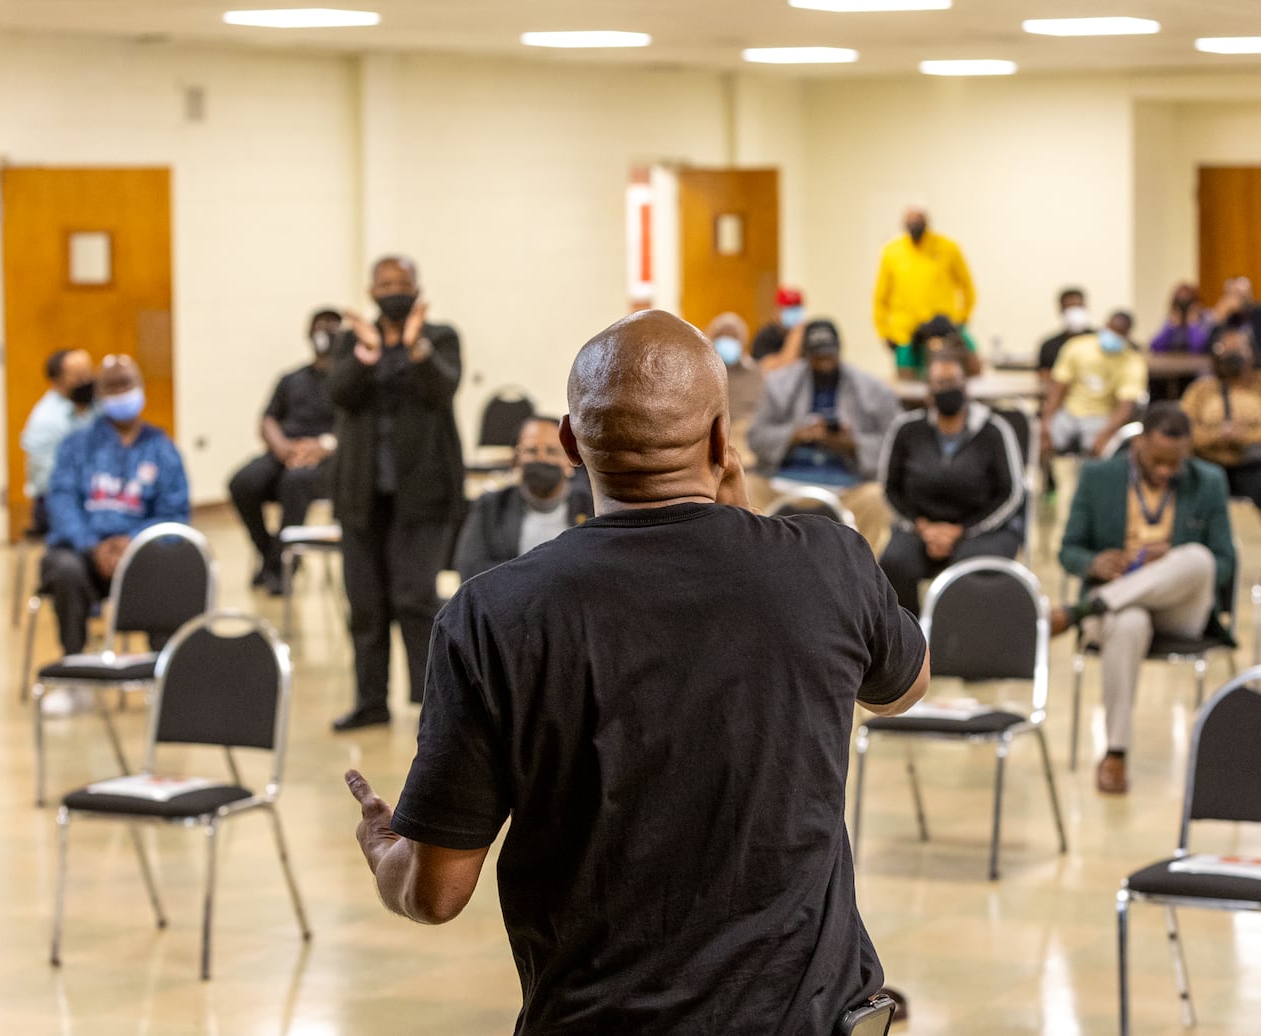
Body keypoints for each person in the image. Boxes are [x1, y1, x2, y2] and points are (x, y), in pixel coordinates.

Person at [343, 309, 930, 1034]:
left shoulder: (495, 613)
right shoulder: (827, 562)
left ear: (568, 445)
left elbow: (436, 893)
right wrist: (752, 524)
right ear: (721, 442)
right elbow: (904, 687)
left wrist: (386, 853)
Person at [1057, 402, 1236, 794]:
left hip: (1180, 605)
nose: (1165, 471)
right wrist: (1095, 564)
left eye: (1175, 463)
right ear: (1138, 442)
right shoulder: (1098, 476)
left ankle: (1086, 609)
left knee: (1198, 558)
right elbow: (1068, 550)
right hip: (1124, 602)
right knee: (1129, 622)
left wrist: (1170, 557)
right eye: (1157, 460)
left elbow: (1225, 564)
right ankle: (1116, 753)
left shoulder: (1208, 481)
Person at [328, 256, 464, 732]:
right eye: (385, 283)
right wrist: (367, 354)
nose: (393, 290)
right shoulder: (352, 342)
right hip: (362, 497)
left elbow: (442, 388)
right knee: (364, 604)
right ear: (371, 290)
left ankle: (433, 705)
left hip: (422, 494)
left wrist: (413, 348)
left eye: (402, 283)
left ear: (417, 287)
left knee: (415, 598)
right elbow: (340, 393)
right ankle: (371, 702)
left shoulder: (440, 338)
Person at [40, 355, 189, 656]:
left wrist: (132, 543)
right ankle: (74, 665)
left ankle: (160, 668)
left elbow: (174, 513)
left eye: (127, 384)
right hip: (85, 556)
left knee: (175, 563)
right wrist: (93, 547)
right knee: (64, 567)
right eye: (112, 386)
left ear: (141, 388)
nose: (121, 392)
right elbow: (61, 501)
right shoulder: (77, 445)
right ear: (99, 394)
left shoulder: (161, 447)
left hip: (142, 556)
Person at [877, 351, 1025, 614]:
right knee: (894, 563)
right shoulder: (907, 429)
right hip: (919, 526)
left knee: (971, 571)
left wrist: (961, 531)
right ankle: (911, 644)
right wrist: (922, 527)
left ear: (966, 385)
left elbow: (1011, 493)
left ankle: (958, 647)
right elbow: (890, 488)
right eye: (939, 383)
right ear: (928, 391)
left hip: (982, 528)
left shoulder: (994, 430)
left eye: (953, 381)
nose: (948, 389)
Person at [747, 318, 899, 549]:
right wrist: (794, 436)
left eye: (829, 356)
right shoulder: (778, 384)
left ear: (839, 352)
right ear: (806, 355)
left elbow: (894, 447)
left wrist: (852, 444)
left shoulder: (873, 390)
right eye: (817, 357)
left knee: (877, 498)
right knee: (746, 488)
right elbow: (756, 438)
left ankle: (864, 577)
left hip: (848, 487)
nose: (824, 364)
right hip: (784, 483)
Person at [228, 308, 342, 594]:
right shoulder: (292, 379)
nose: (324, 334)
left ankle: (282, 568)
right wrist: (283, 448)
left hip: (327, 461)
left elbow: (352, 430)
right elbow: (268, 419)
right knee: (243, 482)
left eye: (331, 327)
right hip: (285, 452)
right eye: (319, 327)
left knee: (296, 482)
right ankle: (271, 554)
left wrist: (323, 446)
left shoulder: (347, 383)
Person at [1179, 327, 1261, 541]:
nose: (1232, 353)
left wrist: (1246, 435)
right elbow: (1183, 429)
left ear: (1252, 352)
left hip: (1259, 463)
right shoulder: (1202, 390)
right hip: (1210, 462)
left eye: (1239, 347)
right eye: (1224, 347)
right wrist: (1217, 435)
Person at [452, 416, 593, 583]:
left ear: (569, 460)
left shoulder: (591, 506)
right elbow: (469, 568)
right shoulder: (491, 506)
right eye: (531, 451)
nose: (541, 459)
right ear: (517, 459)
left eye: (551, 451)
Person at [872, 206, 975, 374]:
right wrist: (884, 332)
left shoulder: (947, 248)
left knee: (968, 362)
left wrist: (962, 319)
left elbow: (967, 286)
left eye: (918, 222)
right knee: (906, 376)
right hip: (905, 331)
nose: (915, 226)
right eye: (910, 222)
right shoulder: (892, 252)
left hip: (944, 328)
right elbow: (880, 296)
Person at [1040, 318, 1147, 459]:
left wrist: (1105, 435)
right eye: (1112, 330)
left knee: (1098, 452)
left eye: (1119, 333)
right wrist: (1046, 422)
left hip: (1101, 416)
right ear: (1105, 326)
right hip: (1070, 410)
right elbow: (1058, 387)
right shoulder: (1077, 347)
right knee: (1044, 440)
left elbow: (1125, 405)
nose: (1113, 336)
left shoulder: (1132, 361)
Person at [20, 348, 95, 534]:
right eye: (78, 374)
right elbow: (48, 481)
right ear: (57, 380)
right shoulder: (45, 420)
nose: (86, 380)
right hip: (59, 500)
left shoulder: (98, 408)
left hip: (101, 495)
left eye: (88, 372)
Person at [705, 311, 763, 447]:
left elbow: (763, 412)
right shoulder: (701, 373)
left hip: (746, 434)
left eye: (733, 337)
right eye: (723, 336)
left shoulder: (755, 374)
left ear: (742, 341)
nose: (728, 341)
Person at [1149, 283, 1214, 355]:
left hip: (1198, 364)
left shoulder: (1205, 317)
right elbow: (1155, 347)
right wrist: (1171, 326)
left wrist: (1193, 324)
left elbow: (1198, 348)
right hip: (1172, 363)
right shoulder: (1171, 319)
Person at [751, 285, 805, 367]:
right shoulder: (764, 337)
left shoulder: (807, 333)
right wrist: (795, 335)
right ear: (776, 310)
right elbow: (770, 368)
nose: (793, 313)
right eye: (788, 308)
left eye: (796, 309)